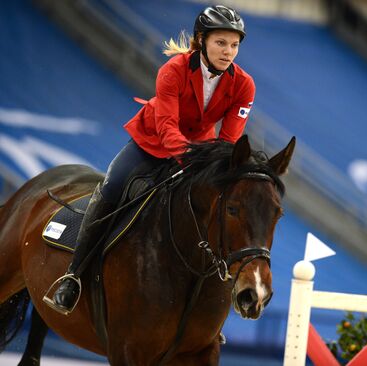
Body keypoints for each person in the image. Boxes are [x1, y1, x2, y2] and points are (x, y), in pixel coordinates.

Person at [44, 5, 255, 315]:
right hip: (152, 142)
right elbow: (167, 126)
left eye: (234, 45)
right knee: (112, 188)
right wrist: (190, 162)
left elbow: (229, 140)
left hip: (200, 150)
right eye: (221, 43)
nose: (228, 52)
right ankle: (72, 276)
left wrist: (212, 170)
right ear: (202, 40)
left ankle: (206, 300)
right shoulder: (173, 70)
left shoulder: (244, 85)